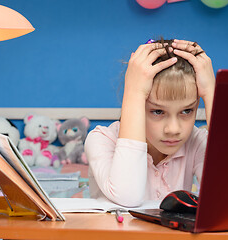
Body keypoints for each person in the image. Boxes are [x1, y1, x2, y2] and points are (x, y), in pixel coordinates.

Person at [85, 38, 215, 207]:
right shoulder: (102, 140)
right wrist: (134, 92)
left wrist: (211, 92)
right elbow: (127, 197)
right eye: (158, 111)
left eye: (186, 111)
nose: (173, 129)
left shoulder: (197, 142)